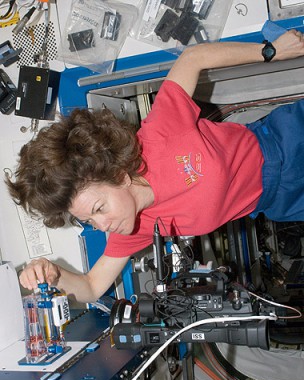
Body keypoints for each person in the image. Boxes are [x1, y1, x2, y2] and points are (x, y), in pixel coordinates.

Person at [6, 30, 304, 304]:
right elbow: (92, 287)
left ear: (119, 176)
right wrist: (51, 272)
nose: (102, 226)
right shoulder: (136, 228)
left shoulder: (158, 135)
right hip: (281, 203)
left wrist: (271, 51)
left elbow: (194, 58)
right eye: (91, 221)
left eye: (98, 209)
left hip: (287, 142)